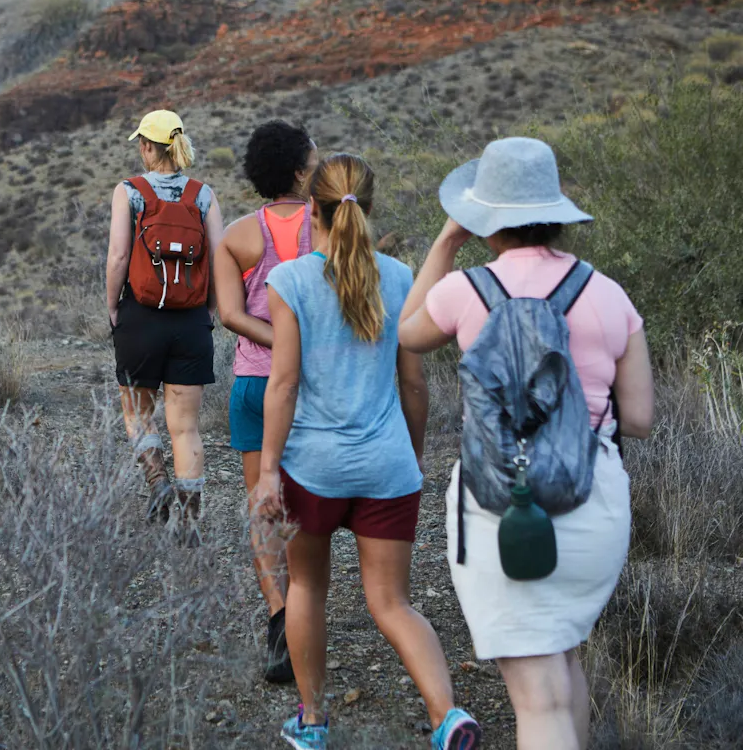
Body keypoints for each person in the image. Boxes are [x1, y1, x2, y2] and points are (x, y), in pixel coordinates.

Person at [398, 137, 654, 750]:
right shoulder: (609, 293)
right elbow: (640, 418)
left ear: (487, 218)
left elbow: (406, 333)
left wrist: (445, 242)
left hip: (501, 510)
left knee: (537, 700)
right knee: (564, 671)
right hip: (592, 502)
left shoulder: (467, 290)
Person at [253, 153, 481, 750]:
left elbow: (283, 384)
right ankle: (447, 717)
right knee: (392, 603)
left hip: (314, 469)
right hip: (386, 466)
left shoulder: (291, 280)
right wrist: (408, 456)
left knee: (306, 590)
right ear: (370, 209)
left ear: (313, 212)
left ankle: (313, 723)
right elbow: (414, 383)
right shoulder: (403, 278)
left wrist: (269, 470)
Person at [215, 120, 317, 684]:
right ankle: (304, 612)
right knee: (304, 506)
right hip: (307, 387)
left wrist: (272, 338)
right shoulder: (328, 228)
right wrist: (298, 342)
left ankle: (278, 617)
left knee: (263, 504)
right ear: (300, 171)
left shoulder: (236, 236)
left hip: (253, 385)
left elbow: (229, 315)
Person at [106, 109, 225, 545]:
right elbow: (219, 258)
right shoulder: (203, 194)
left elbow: (119, 257)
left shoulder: (129, 192)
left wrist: (113, 307)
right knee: (186, 428)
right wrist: (209, 312)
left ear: (147, 146)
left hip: (140, 316)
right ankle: (190, 526)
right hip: (191, 322)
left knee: (138, 414)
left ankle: (157, 480)